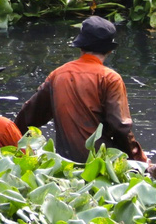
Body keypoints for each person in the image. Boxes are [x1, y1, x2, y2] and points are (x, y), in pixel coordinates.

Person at [14, 16, 147, 163]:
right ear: (109, 50)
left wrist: (11, 139)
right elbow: (120, 127)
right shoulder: (110, 78)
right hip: (101, 163)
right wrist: (139, 161)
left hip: (65, 163)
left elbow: (29, 116)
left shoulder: (58, 75)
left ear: (81, 46)